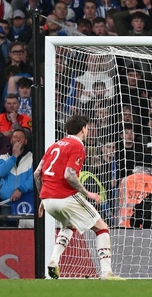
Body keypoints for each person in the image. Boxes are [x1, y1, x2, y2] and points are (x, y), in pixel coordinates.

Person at [35, 115, 123, 280]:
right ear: (84, 129)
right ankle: (106, 272)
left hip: (48, 200)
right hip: (65, 197)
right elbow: (69, 175)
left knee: (68, 226)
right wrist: (87, 193)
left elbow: (37, 173)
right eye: (87, 128)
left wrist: (42, 197)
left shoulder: (54, 146)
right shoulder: (77, 146)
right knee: (101, 227)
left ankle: (54, 260)